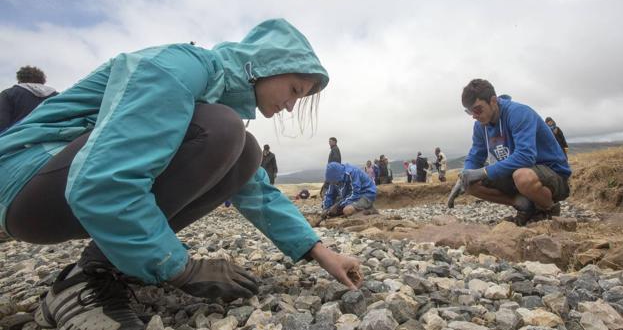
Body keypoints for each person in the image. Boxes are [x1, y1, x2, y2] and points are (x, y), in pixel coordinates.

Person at [0, 19, 362, 330]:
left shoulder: (215, 98)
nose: (290, 105)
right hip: (23, 182)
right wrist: (180, 268)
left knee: (245, 151)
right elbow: (101, 182)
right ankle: (83, 285)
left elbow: (255, 190)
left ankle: (106, 267)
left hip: (49, 187)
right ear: (264, 64)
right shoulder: (178, 68)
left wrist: (320, 252)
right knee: (224, 129)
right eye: (294, 90)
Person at [456, 79, 571, 226]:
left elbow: (525, 156)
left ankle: (548, 208)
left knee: (523, 176)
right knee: (469, 183)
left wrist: (483, 172)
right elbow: (475, 155)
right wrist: (464, 175)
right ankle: (523, 205)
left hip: (552, 174)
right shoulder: (480, 126)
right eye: (469, 111)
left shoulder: (519, 113)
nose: (474, 116)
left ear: (493, 101)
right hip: (515, 174)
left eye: (477, 109)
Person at [0, 65, 58, 132]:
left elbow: (2, 122)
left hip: (17, 139)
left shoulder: (8, 93)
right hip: (54, 138)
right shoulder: (58, 96)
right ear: (42, 80)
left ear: (20, 79)